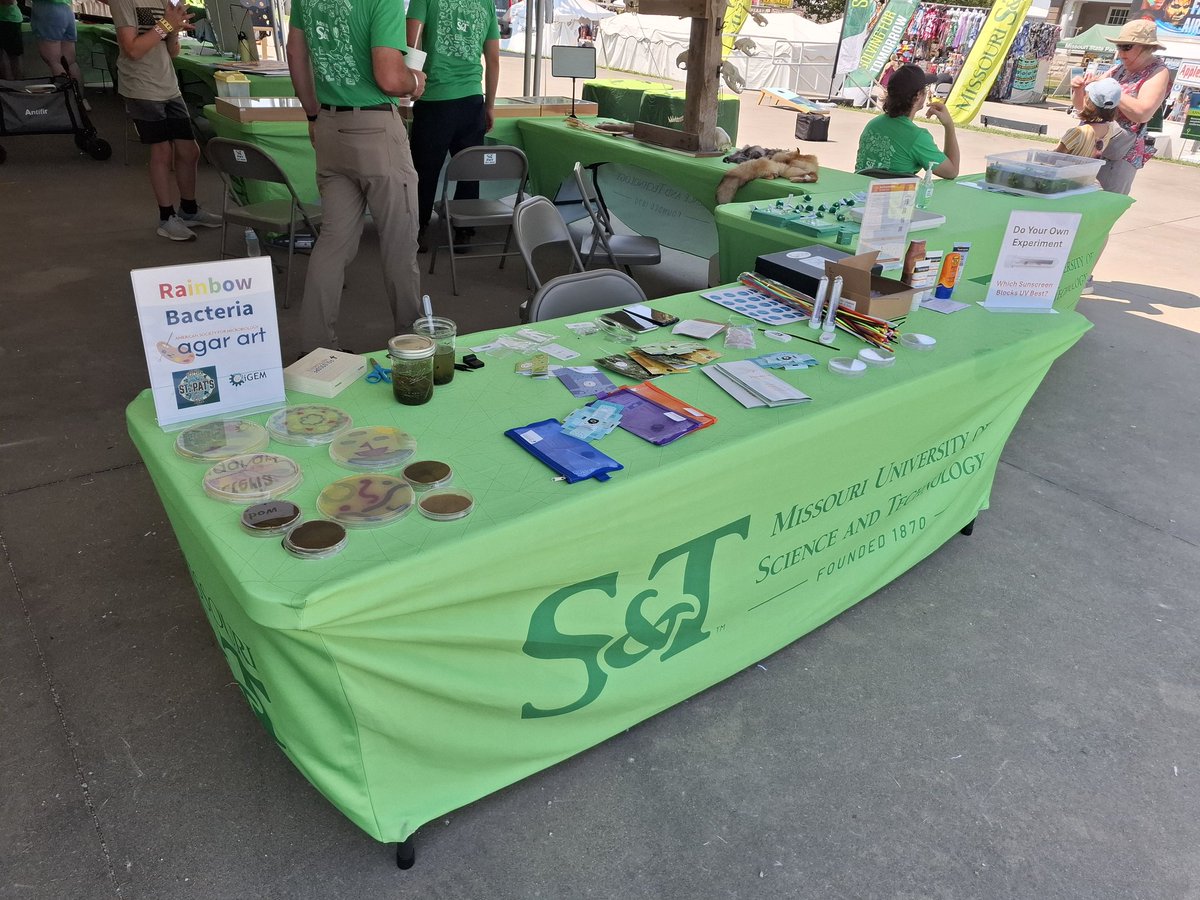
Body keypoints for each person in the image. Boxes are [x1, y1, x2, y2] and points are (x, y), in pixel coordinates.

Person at [288, 0, 426, 353]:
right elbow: (389, 76)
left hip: (330, 124)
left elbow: (296, 54)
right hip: (376, 127)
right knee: (399, 242)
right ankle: (411, 347)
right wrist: (415, 79)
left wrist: (313, 115)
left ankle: (315, 346)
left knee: (333, 243)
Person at [110, 0, 224, 241]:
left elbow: (172, 52)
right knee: (161, 152)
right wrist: (165, 25)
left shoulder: (165, 2)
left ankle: (189, 210)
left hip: (168, 85)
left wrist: (173, 32)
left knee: (190, 150)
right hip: (141, 86)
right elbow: (132, 49)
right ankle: (166, 217)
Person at [406, 0, 500, 254]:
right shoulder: (486, 4)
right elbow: (493, 59)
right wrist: (488, 105)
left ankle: (418, 229)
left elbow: (411, 42)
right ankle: (464, 231)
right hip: (472, 99)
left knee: (424, 171)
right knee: (469, 169)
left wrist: (410, 85)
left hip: (435, 98)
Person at [1072, 19, 1171, 195]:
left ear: (1146, 48)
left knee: (1102, 207)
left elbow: (1142, 114)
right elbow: (1083, 109)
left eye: (1126, 47)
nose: (1120, 52)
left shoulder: (1158, 72)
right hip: (1095, 147)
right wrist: (1079, 91)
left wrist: (1113, 90)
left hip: (1118, 156)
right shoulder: (1119, 69)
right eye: (1119, 46)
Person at [856, 63, 959, 179]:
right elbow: (952, 172)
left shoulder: (873, 125)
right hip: (895, 196)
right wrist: (949, 126)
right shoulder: (917, 137)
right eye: (925, 89)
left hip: (859, 193)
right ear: (918, 95)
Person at [1054, 77, 1123, 161]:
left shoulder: (1078, 132)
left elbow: (1054, 157)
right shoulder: (1109, 129)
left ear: (1088, 101)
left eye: (1086, 94)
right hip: (1085, 173)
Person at [30, 0, 82, 84]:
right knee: (71, 62)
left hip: (47, 10)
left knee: (54, 61)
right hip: (67, 10)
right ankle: (79, 95)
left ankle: (64, 95)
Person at [0, 0, 23, 81]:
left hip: (10, 20)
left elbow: (9, 1)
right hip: (5, 19)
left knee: (14, 55)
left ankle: (16, 83)